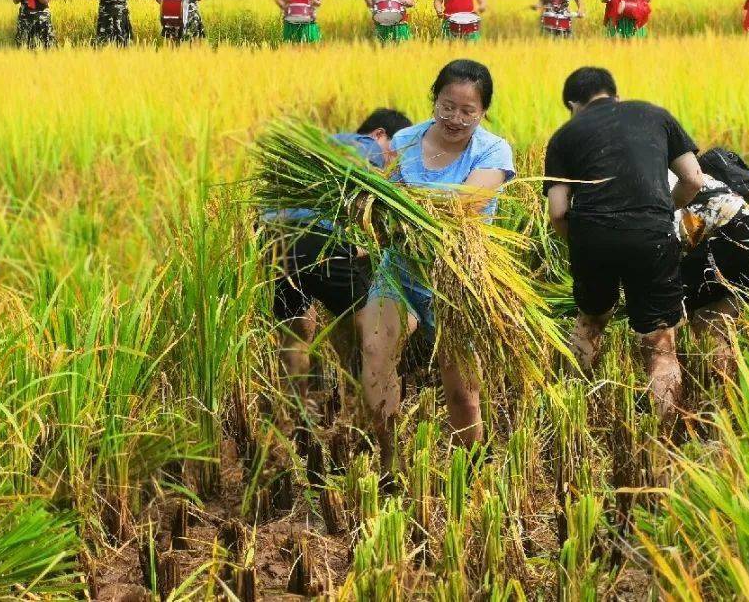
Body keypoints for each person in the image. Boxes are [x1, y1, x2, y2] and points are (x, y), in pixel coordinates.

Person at [357, 59, 515, 472]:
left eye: (467, 111)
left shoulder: (493, 150)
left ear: (483, 112)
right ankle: (390, 461)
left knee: (461, 388)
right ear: (434, 100)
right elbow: (383, 201)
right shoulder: (405, 140)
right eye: (447, 106)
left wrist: (401, 200)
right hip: (401, 266)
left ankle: (471, 466)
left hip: (457, 275)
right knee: (375, 350)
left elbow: (467, 204)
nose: (455, 118)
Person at [544, 67, 703, 417]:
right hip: (651, 235)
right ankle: (663, 432)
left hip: (592, 237)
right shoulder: (655, 115)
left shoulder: (565, 135)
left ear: (573, 106)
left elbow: (558, 211)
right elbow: (694, 178)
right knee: (659, 340)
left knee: (590, 320)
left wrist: (582, 243)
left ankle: (572, 413)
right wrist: (662, 211)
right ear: (615, 95)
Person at [267, 109, 413, 403]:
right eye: (395, 153)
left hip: (274, 240)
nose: (392, 164)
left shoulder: (323, 148)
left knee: (297, 330)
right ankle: (372, 402)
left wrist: (357, 249)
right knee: (376, 328)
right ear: (380, 134)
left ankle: (295, 412)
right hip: (313, 237)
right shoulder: (365, 146)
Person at [673, 169, 749, 379]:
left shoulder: (663, 183)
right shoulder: (686, 171)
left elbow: (677, 240)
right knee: (712, 318)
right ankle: (735, 385)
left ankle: (722, 384)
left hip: (736, 239)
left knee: (699, 316)